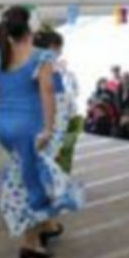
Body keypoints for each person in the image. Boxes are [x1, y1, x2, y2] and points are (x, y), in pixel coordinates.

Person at [0, 6, 83, 258]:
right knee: (32, 184)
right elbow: (47, 93)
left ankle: (37, 235)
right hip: (31, 127)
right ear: (30, 30)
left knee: (25, 177)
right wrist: (48, 128)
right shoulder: (40, 56)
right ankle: (30, 243)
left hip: (4, 127)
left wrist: (4, 93)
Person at [33, 28, 82, 173]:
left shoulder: (39, 64)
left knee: (49, 148)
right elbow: (57, 92)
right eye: (59, 47)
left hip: (50, 111)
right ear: (52, 46)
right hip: (55, 112)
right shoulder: (50, 65)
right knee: (52, 148)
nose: (60, 51)